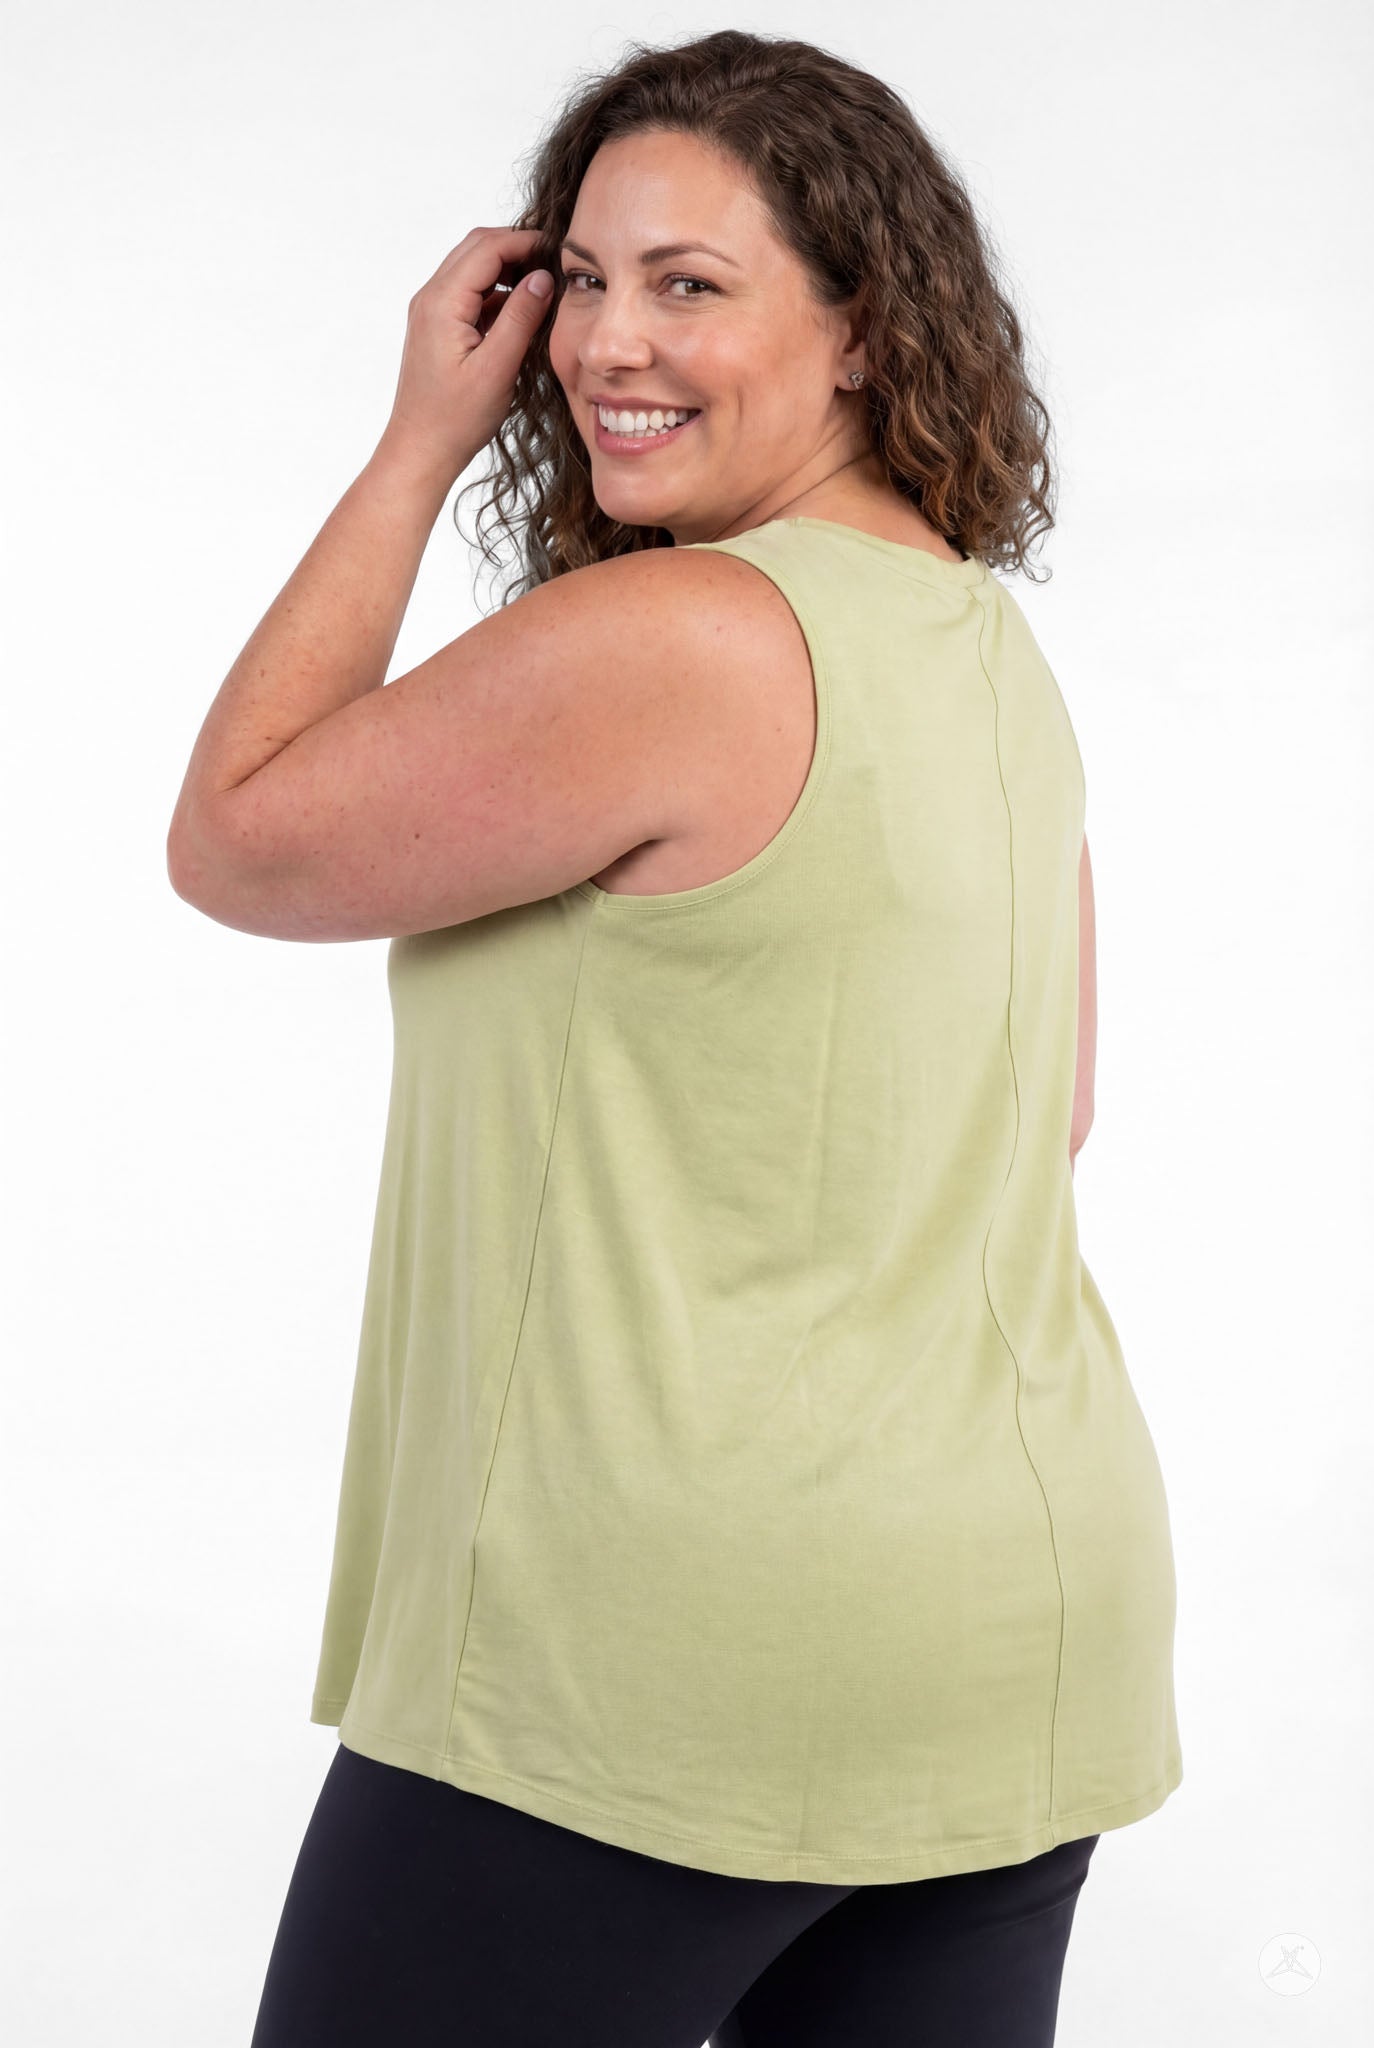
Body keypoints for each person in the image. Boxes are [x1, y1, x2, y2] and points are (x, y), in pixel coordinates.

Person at [168, 28, 1181, 2048]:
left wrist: (411, 447)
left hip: (651, 1664)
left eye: (691, 285)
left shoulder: (688, 639)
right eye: (587, 279)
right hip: (1008, 1633)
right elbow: (1044, 1111)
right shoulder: (989, 656)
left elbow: (239, 837)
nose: (607, 343)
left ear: (867, 333)